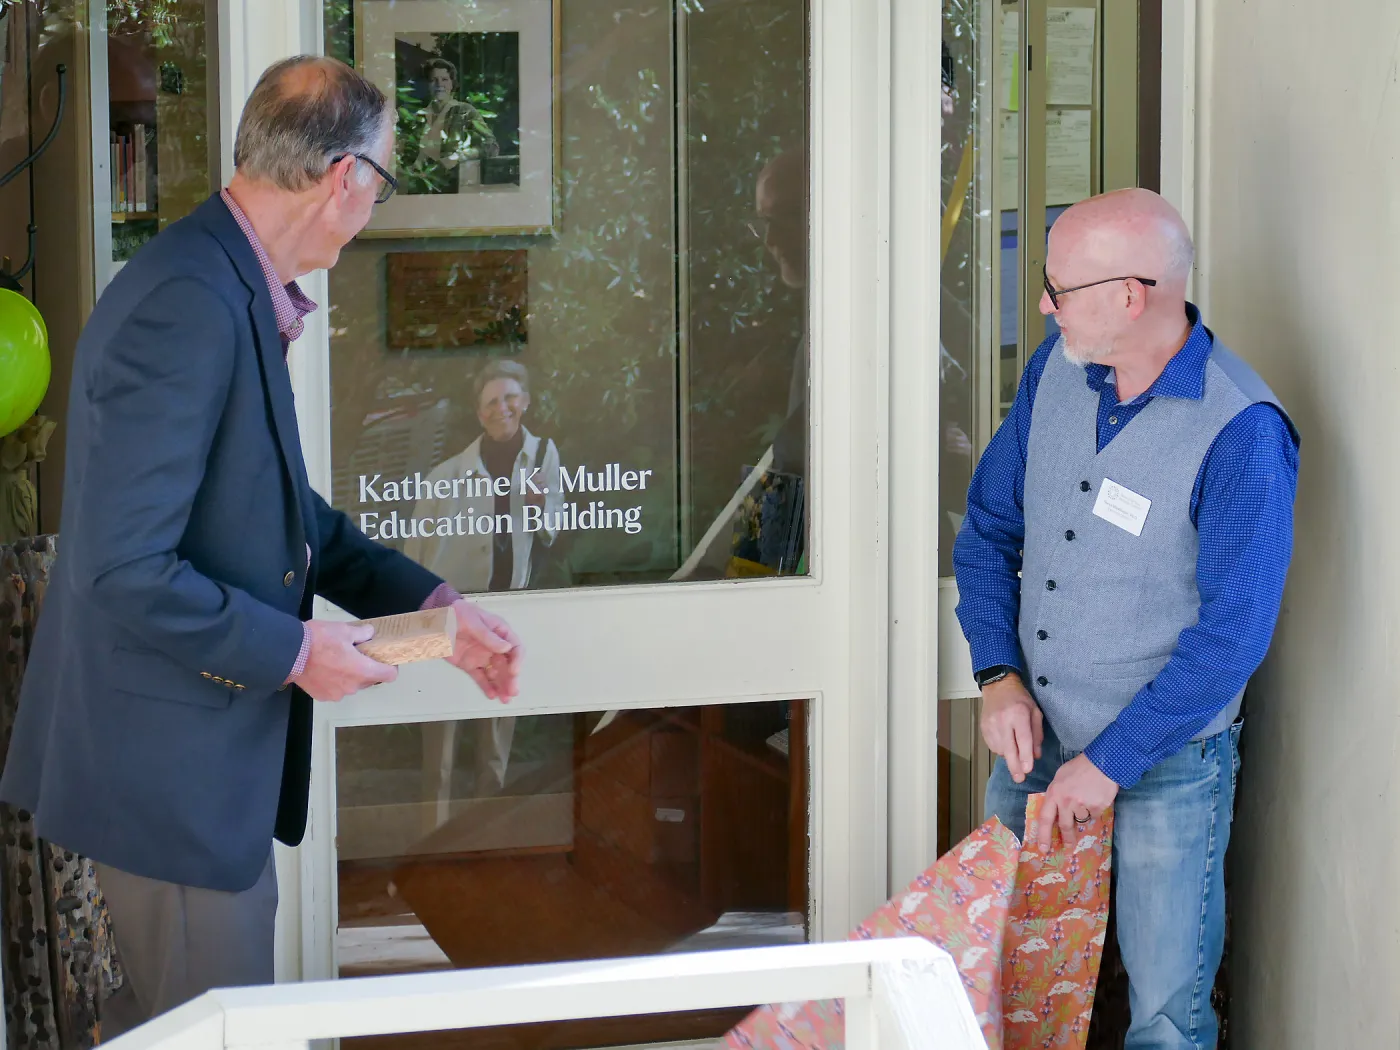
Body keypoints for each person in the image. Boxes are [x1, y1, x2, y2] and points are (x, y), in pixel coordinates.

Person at [0, 55, 523, 1035]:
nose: (374, 201)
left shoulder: (227, 281)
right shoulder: (189, 304)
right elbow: (124, 567)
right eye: (383, 177)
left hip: (188, 780)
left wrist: (437, 619)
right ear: (344, 179)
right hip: (172, 787)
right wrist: (293, 651)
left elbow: (290, 525)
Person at [953, 188, 1299, 1050]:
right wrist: (997, 676)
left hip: (1169, 766)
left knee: (1164, 1018)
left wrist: (1109, 763)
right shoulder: (1052, 374)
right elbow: (989, 530)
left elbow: (1233, 638)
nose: (1042, 303)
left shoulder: (1242, 432)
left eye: (1057, 287)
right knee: (1013, 986)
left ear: (1132, 294)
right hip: (1036, 745)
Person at [406, 359, 562, 795]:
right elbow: (415, 552)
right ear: (480, 413)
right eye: (492, 401)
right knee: (440, 735)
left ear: (525, 402)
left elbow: (551, 529)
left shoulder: (543, 456)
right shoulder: (446, 475)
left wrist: (533, 502)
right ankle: (431, 832)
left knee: (495, 735)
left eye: (511, 397)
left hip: (507, 608)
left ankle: (484, 833)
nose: (502, 408)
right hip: (451, 610)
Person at [405, 56, 499, 194]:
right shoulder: (418, 117)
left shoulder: (465, 112)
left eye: (444, 79)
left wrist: (458, 157)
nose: (439, 84)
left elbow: (492, 146)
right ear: (427, 84)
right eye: (433, 80)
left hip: (457, 188)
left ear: (452, 83)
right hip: (421, 190)